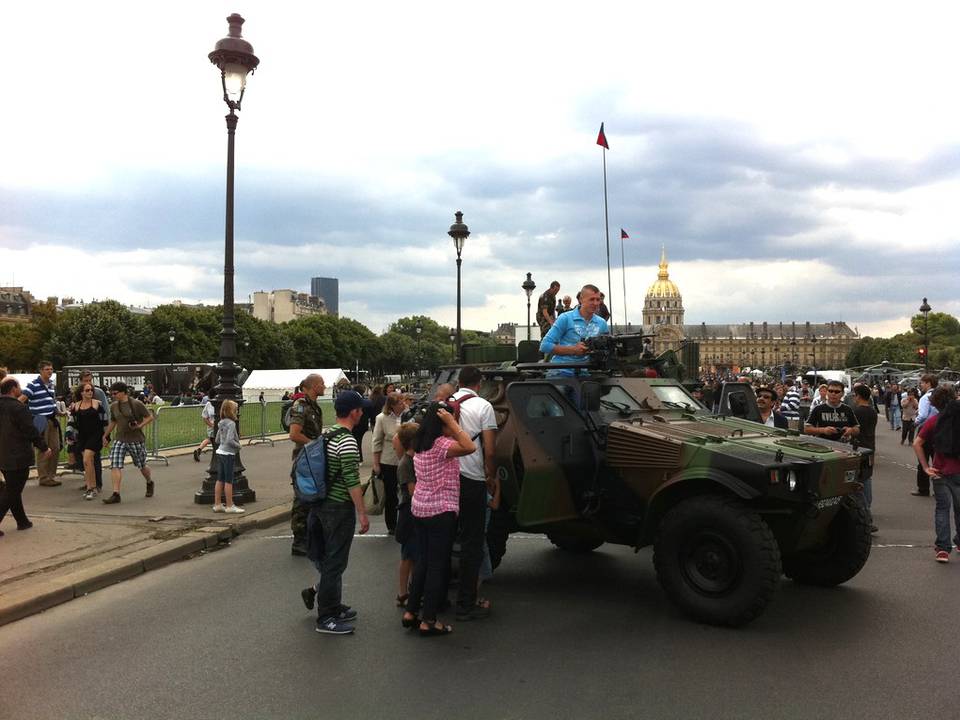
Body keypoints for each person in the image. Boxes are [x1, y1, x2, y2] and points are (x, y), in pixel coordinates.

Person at [401, 401, 476, 637]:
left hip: (420, 508)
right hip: (440, 511)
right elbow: (470, 446)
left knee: (422, 561)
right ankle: (430, 619)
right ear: (442, 422)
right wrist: (452, 422)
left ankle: (412, 611)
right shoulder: (442, 445)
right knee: (437, 566)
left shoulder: (420, 443)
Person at [301, 390, 370, 635]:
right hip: (338, 507)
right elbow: (352, 480)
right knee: (335, 561)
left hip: (319, 503)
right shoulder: (348, 441)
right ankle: (327, 616)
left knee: (330, 559)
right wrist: (362, 513)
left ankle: (334, 604)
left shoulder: (327, 434)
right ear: (354, 412)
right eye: (361, 409)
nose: (362, 413)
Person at [450, 365, 499, 621]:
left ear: (459, 382)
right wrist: (491, 476)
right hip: (472, 479)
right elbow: (489, 449)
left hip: (447, 479)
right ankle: (465, 603)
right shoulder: (484, 407)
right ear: (479, 383)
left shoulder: (446, 404)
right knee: (472, 543)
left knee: (444, 540)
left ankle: (432, 599)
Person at [1, 377, 52, 536]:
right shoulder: (19, 408)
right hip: (18, 454)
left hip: (3, 454)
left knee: (12, 488)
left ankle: (22, 521)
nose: (21, 389)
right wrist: (43, 447)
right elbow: (30, 430)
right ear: (13, 389)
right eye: (19, 386)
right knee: (13, 491)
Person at [914, 387, 960, 563]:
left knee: (942, 508)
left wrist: (926, 467)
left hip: (939, 470)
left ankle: (942, 548)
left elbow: (917, 443)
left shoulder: (934, 421)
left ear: (935, 403)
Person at [288, 374, 326, 556]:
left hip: (312, 458)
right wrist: (313, 444)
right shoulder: (301, 406)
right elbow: (294, 434)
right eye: (322, 384)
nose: (324, 386)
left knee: (311, 497)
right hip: (304, 459)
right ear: (313, 386)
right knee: (302, 499)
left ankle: (309, 538)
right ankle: (299, 540)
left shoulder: (313, 406)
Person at [539, 284, 610, 377]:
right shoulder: (565, 318)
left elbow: (607, 349)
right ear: (581, 299)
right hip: (561, 371)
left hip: (588, 373)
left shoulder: (602, 323)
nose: (596, 303)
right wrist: (573, 350)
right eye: (592, 299)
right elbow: (545, 346)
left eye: (598, 299)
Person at [101, 382, 155, 505]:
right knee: (115, 464)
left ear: (123, 392)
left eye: (115, 393)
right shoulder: (114, 406)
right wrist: (105, 435)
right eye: (111, 393)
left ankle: (149, 482)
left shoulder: (136, 404)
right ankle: (116, 493)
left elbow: (149, 417)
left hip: (135, 439)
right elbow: (113, 421)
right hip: (120, 439)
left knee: (141, 464)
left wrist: (139, 425)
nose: (113, 396)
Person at [18, 360, 61, 487]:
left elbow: (50, 401)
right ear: (41, 371)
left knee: (56, 448)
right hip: (41, 420)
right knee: (43, 449)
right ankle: (43, 477)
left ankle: (51, 475)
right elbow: (21, 400)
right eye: (47, 369)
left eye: (51, 369)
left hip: (52, 419)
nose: (50, 371)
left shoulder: (51, 385)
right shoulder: (33, 385)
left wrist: (57, 410)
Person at [392, 421, 420, 607]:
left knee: (415, 554)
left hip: (414, 511)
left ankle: (413, 588)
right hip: (409, 512)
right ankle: (402, 592)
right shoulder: (405, 463)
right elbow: (412, 491)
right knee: (408, 555)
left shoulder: (412, 459)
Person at [371, 391, 404, 534]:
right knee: (391, 495)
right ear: (392, 406)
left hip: (406, 461)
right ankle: (392, 525)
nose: (403, 405)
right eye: (400, 403)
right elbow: (376, 441)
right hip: (389, 461)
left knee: (407, 493)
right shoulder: (382, 418)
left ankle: (406, 522)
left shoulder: (409, 416)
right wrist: (376, 463)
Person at [70, 381, 107, 500]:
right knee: (87, 463)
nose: (90, 392)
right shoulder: (76, 406)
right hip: (82, 437)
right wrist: (70, 438)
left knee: (87, 458)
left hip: (95, 435)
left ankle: (93, 488)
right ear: (81, 393)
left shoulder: (97, 404)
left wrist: (106, 436)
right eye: (87, 390)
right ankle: (90, 487)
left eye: (91, 390)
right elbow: (73, 423)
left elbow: (104, 421)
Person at [851, 384, 879, 531]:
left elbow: (854, 430)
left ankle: (865, 515)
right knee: (866, 479)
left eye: (854, 395)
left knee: (858, 482)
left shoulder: (856, 412)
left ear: (858, 396)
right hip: (869, 446)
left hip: (857, 447)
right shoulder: (872, 411)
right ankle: (867, 511)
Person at [212, 399, 243, 514]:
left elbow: (217, 439)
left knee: (220, 479)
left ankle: (217, 504)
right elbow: (230, 440)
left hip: (220, 451)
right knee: (229, 481)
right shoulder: (231, 424)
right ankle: (230, 505)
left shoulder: (221, 422)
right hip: (228, 453)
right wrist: (238, 445)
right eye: (236, 410)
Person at [913, 374, 939, 497]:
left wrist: (915, 422)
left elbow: (923, 415)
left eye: (922, 383)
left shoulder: (925, 397)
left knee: (923, 460)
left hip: (926, 430)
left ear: (928, 383)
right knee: (937, 460)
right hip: (939, 431)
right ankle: (938, 489)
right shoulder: (940, 396)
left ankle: (923, 489)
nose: (921, 385)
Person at [192, 390, 217, 462]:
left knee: (210, 439)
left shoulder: (210, 404)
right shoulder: (210, 404)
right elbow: (204, 417)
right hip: (213, 426)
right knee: (214, 440)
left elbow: (204, 416)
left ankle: (199, 449)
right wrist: (211, 425)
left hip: (215, 425)